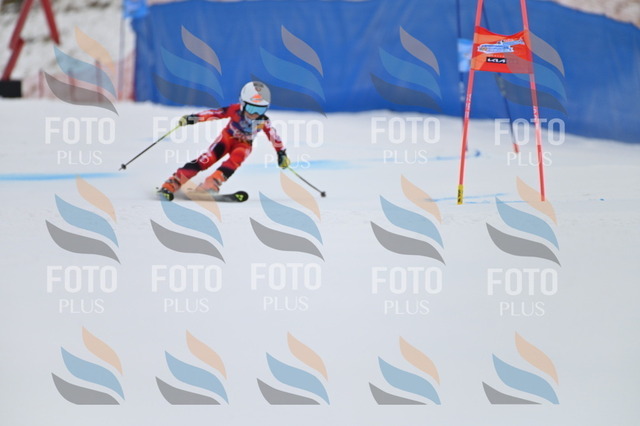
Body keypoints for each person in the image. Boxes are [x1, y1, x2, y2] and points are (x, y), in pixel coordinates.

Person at [158, 81, 290, 201]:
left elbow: (274, 136)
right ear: (243, 104)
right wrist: (195, 118)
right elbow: (215, 113)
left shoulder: (263, 121)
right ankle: (172, 183)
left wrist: (281, 153)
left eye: (260, 110)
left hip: (244, 145)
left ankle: (210, 184)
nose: (255, 114)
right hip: (226, 139)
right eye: (251, 108)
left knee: (236, 159)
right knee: (206, 160)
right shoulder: (234, 110)